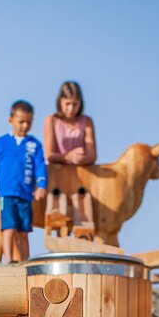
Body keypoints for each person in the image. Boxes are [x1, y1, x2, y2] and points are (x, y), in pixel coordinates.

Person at [0, 100, 47, 263]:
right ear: (11, 120)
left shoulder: (34, 145)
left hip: (25, 195)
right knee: (8, 228)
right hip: (6, 194)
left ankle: (25, 261)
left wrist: (41, 185)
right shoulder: (1, 143)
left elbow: (40, 166)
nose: (25, 125)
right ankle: (10, 261)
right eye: (21, 121)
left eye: (29, 122)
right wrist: (4, 179)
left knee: (24, 230)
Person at [43, 81, 97, 228]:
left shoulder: (86, 122)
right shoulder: (52, 121)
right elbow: (49, 154)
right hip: (58, 177)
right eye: (67, 104)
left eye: (75, 104)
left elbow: (92, 155)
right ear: (60, 102)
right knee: (57, 211)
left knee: (83, 212)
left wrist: (80, 158)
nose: (71, 108)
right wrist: (68, 157)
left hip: (80, 177)